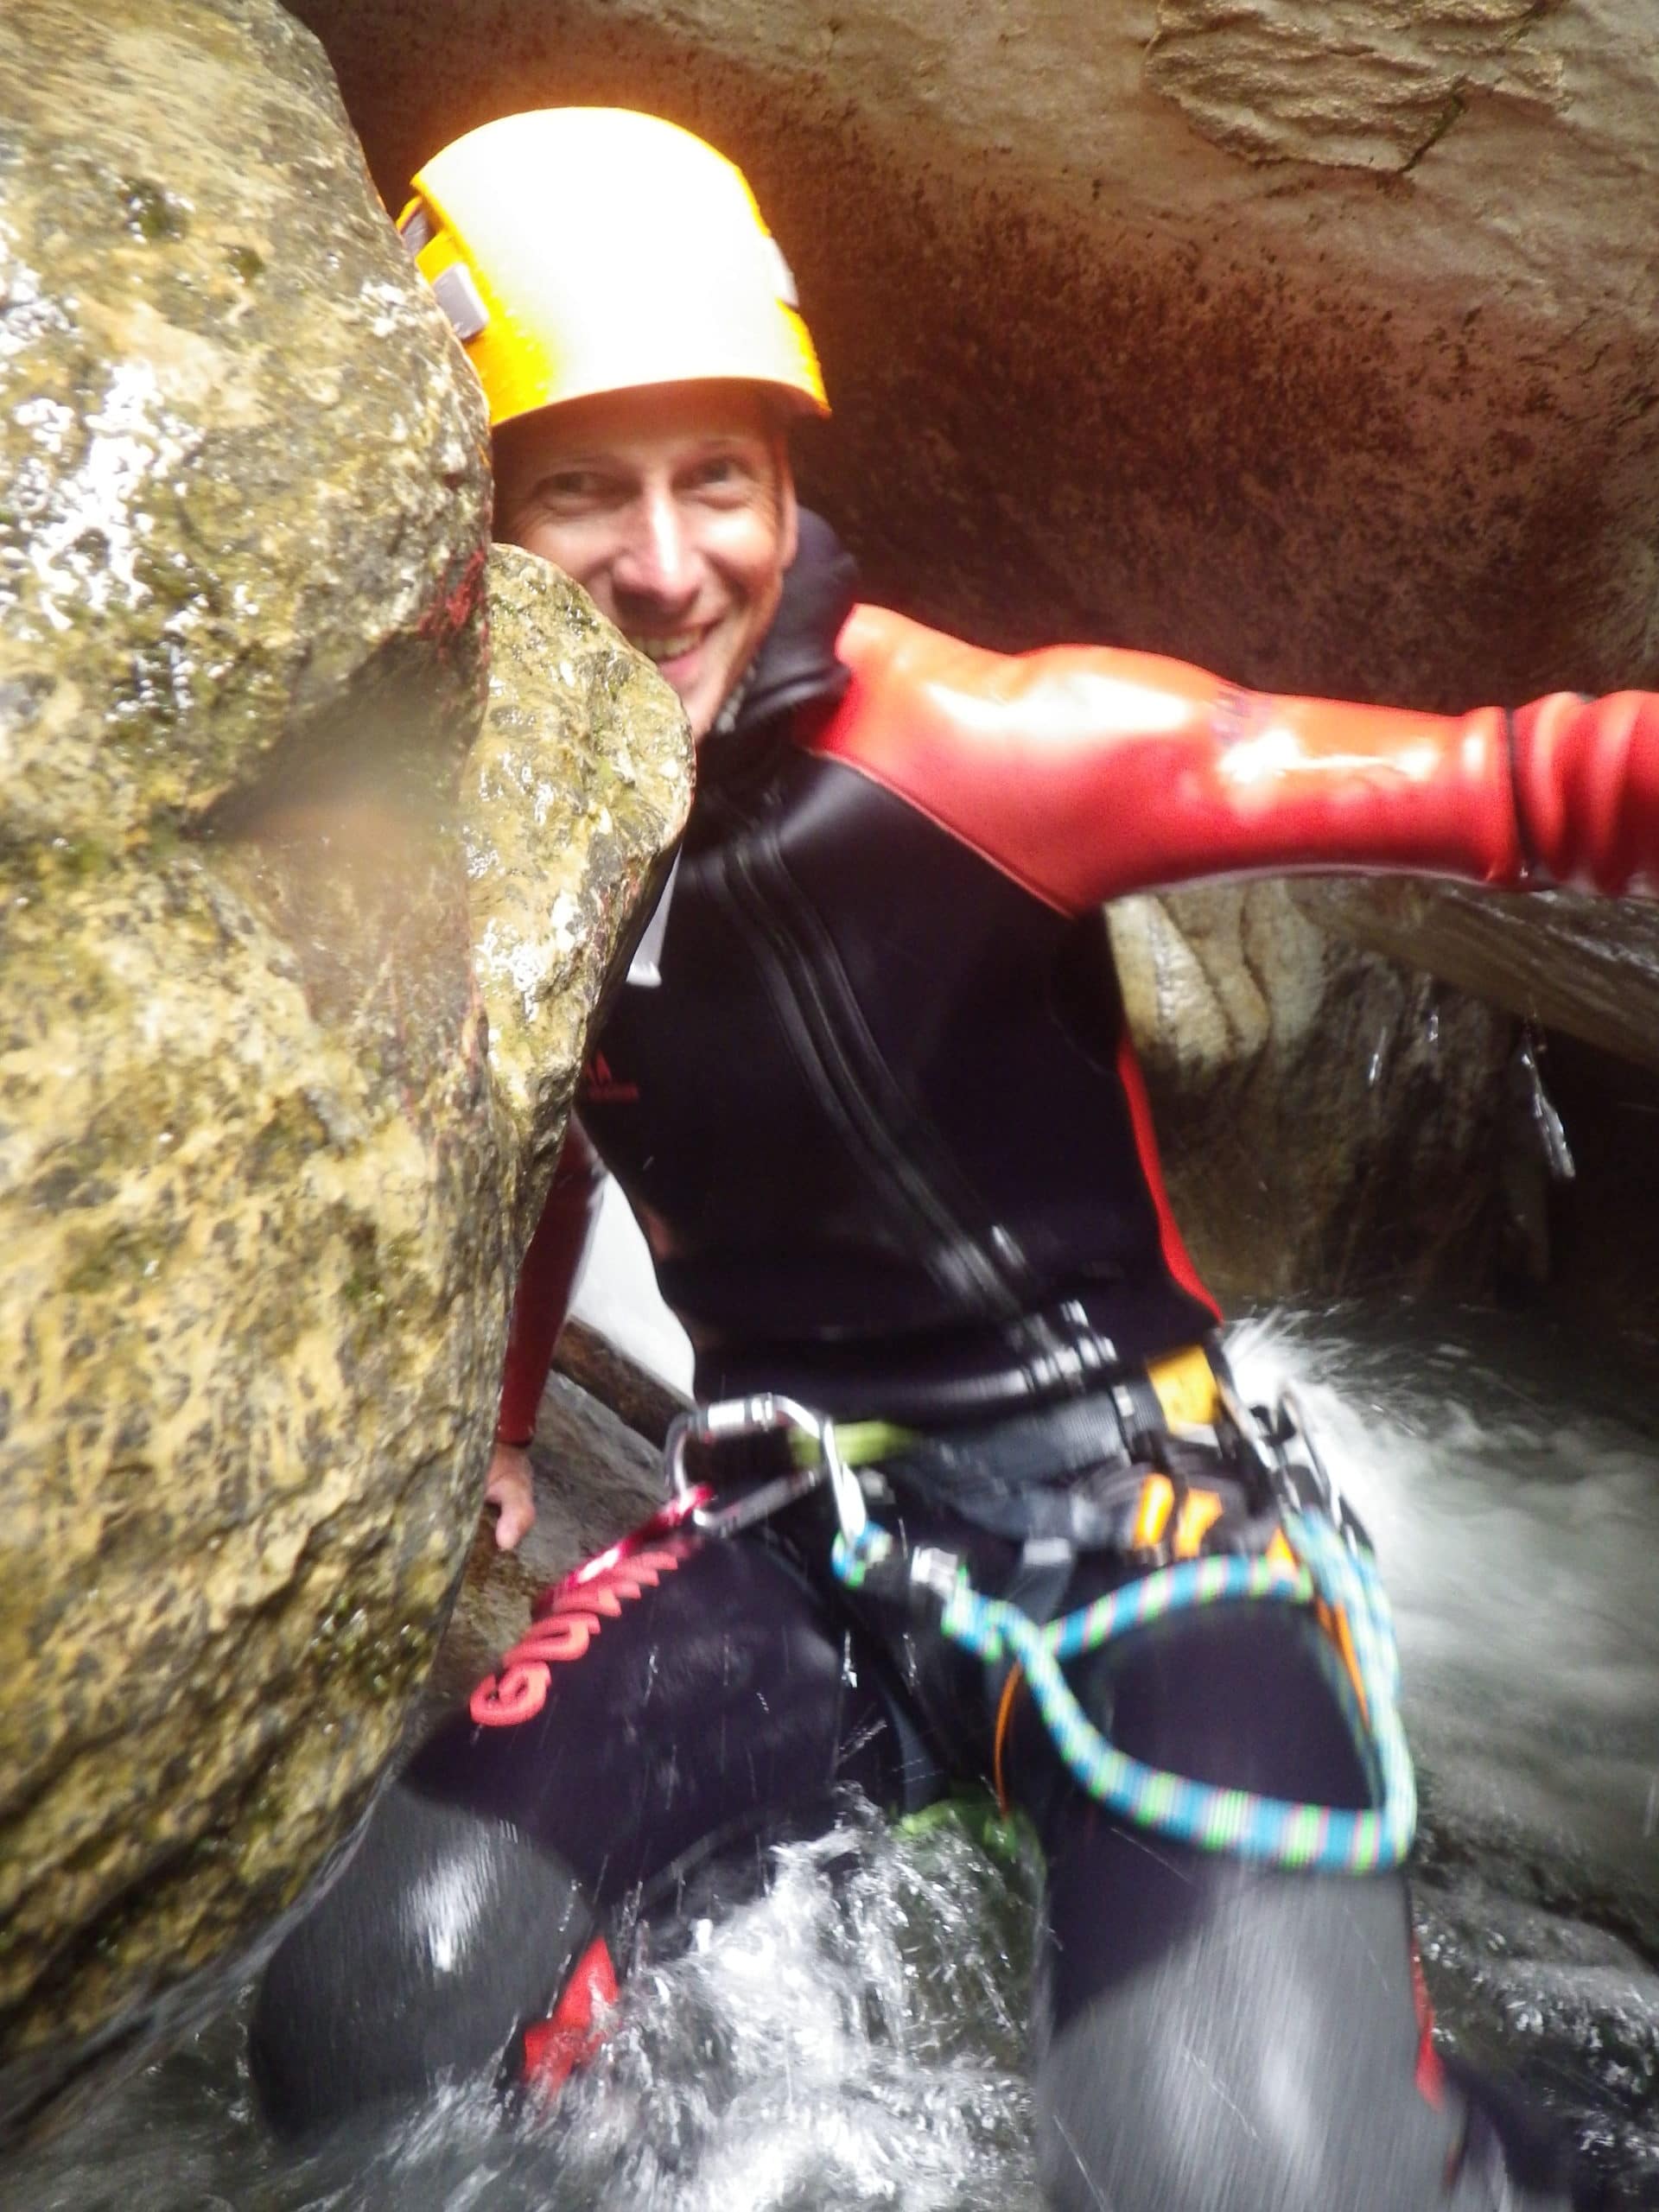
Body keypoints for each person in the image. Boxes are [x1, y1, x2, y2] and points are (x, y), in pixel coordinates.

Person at [249, 107, 1657, 2208]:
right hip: (789, 1527)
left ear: (788, 481)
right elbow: (553, 1120)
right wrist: (511, 1418)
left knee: (1235, 2175)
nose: (664, 562)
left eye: (717, 476)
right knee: (366, 2019)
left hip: (1143, 1532)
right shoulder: (510, 832)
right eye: (581, 489)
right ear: (469, 519)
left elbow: (1522, 785)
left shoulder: (985, 752)